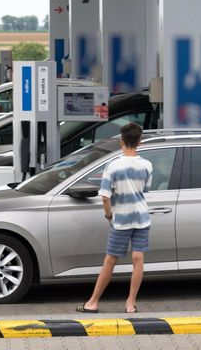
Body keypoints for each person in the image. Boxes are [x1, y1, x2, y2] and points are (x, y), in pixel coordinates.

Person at [77, 122, 152, 314]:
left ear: (121, 142)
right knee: (138, 258)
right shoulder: (147, 165)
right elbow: (145, 190)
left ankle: (92, 302)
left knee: (110, 260)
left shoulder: (113, 166)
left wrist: (109, 216)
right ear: (139, 142)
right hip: (142, 218)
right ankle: (130, 303)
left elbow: (105, 196)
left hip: (121, 220)